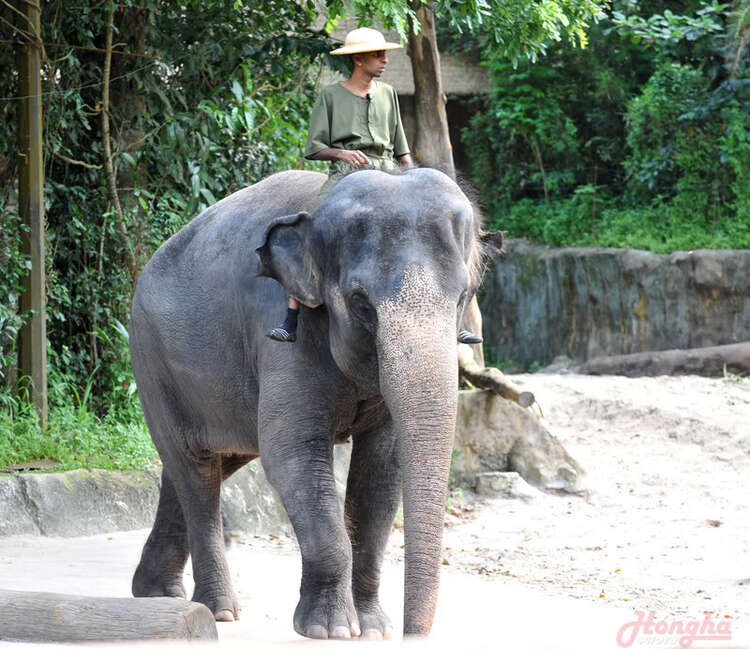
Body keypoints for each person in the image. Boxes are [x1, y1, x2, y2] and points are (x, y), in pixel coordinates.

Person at [266, 27, 481, 345]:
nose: (384, 59)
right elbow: (313, 148)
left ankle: (458, 318)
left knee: (442, 231)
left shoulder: (388, 94)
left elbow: (403, 152)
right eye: (378, 54)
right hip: (345, 176)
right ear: (358, 59)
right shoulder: (331, 96)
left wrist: (417, 180)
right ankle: (291, 317)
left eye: (384, 53)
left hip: (390, 175)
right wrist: (341, 152)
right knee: (306, 232)